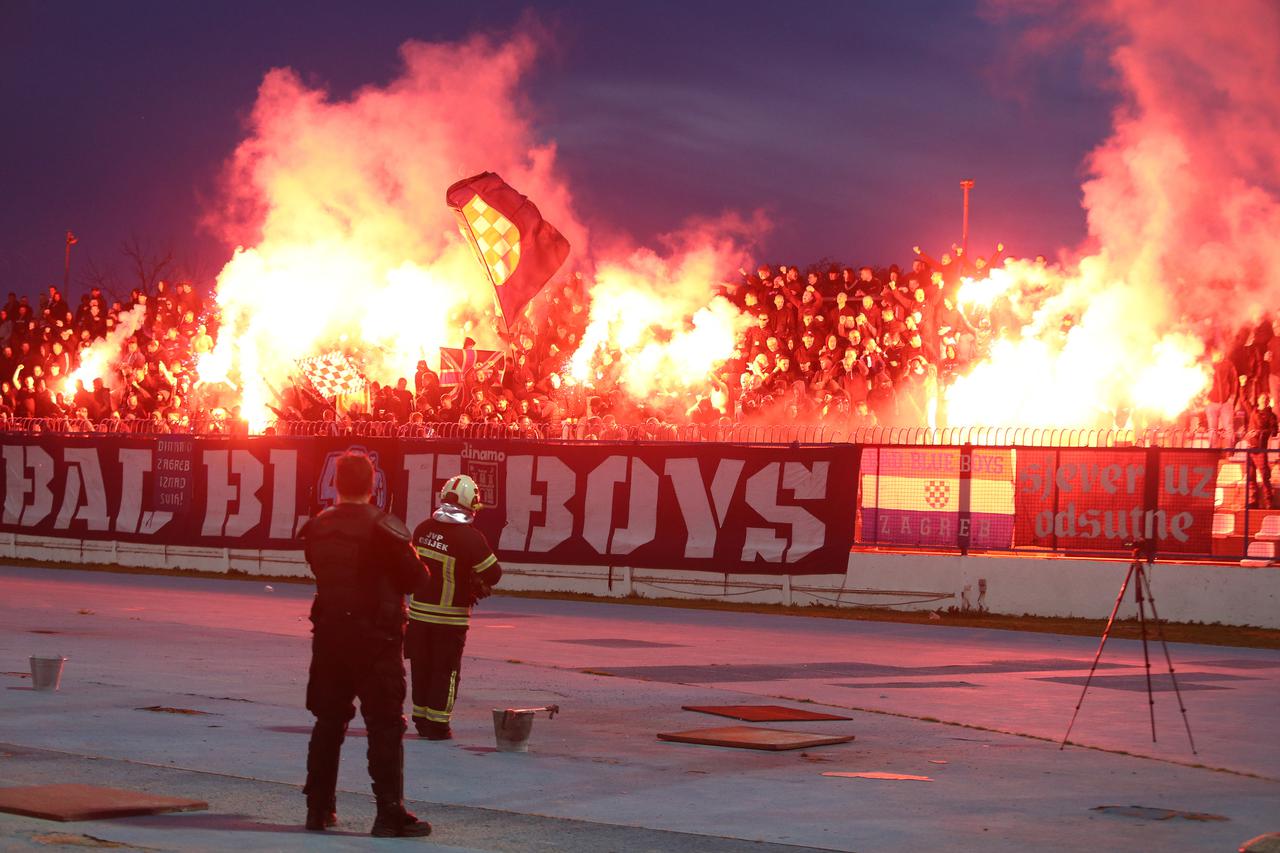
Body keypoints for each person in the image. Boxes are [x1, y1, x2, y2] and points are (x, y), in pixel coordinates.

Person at [299, 452, 433, 838]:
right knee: (385, 726)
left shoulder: (318, 527)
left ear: (336, 483)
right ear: (373, 484)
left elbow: (319, 567)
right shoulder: (383, 527)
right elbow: (416, 580)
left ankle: (318, 808)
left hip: (329, 637)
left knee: (328, 721)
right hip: (376, 638)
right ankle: (388, 812)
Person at [406, 474, 503, 740]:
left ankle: (421, 720)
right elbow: (494, 573)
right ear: (470, 504)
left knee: (421, 668)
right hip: (450, 620)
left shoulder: (422, 529)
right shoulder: (470, 538)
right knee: (445, 672)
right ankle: (438, 726)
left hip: (417, 615)